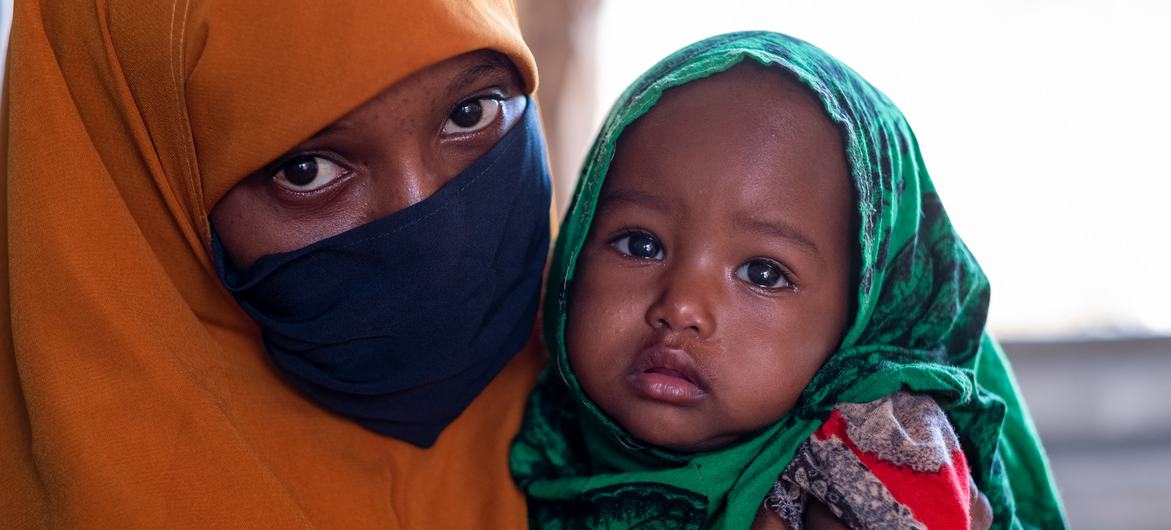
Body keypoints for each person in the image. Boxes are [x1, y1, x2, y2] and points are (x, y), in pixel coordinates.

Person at [2, 1, 552, 527]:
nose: (440, 246)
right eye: (305, 170)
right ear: (142, 191)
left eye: (469, 113)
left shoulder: (601, 381)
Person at [510, 32, 1067, 529]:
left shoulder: (870, 473)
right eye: (641, 244)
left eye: (763, 273)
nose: (681, 307)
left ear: (860, 325)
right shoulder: (518, 433)